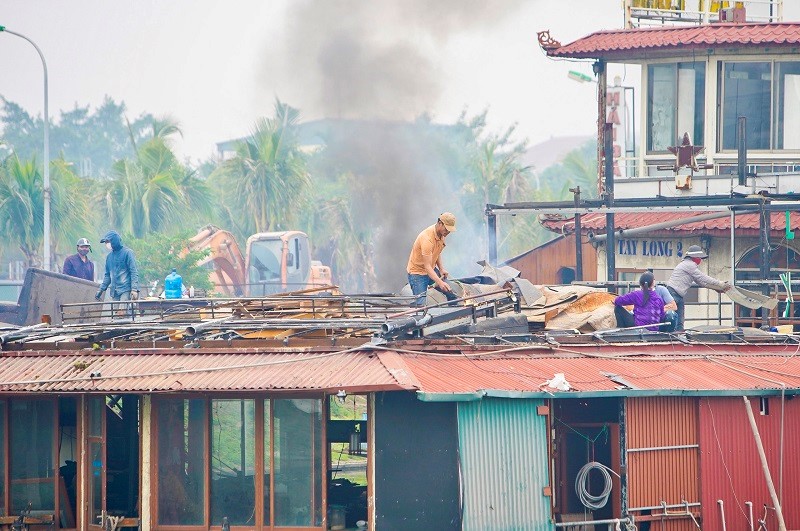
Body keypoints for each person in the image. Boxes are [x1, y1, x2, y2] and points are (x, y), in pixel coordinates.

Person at [666, 244, 731, 331]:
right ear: (694, 257)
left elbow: (701, 282)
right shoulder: (689, 265)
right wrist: (720, 283)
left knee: (679, 320)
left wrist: (717, 288)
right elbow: (703, 277)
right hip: (673, 294)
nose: (700, 260)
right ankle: (674, 336)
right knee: (674, 318)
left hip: (677, 294)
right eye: (699, 258)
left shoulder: (688, 266)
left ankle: (677, 336)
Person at [406, 212, 458, 306]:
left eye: (449, 230)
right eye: (446, 229)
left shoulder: (441, 235)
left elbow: (437, 252)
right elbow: (427, 267)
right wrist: (440, 282)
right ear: (440, 223)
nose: (448, 232)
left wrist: (441, 269)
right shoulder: (427, 239)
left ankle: (455, 314)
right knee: (421, 307)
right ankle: (416, 307)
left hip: (431, 269)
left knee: (451, 294)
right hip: (418, 273)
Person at [95, 230, 140, 304]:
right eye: (106, 242)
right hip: (114, 291)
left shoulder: (128, 253)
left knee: (123, 312)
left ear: (114, 241)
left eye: (108, 242)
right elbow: (107, 276)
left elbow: (133, 271)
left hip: (126, 289)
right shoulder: (109, 257)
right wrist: (101, 289)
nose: (107, 244)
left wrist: (134, 289)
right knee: (115, 314)